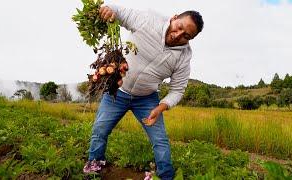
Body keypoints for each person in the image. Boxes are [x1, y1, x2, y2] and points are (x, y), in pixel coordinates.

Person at [84, 4, 204, 180]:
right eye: (179, 27)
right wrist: (109, 10)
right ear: (174, 18)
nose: (178, 35)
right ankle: (94, 168)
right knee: (100, 130)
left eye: (186, 36)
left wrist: (160, 107)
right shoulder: (149, 20)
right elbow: (120, 13)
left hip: (147, 99)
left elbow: (177, 90)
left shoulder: (184, 58)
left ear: (191, 39)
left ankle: (165, 176)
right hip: (117, 91)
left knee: (160, 141)